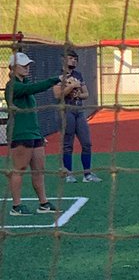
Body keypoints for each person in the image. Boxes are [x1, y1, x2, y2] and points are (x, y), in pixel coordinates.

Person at [4, 52, 64, 216]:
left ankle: (43, 203)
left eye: (27, 65)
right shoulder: (13, 86)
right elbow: (32, 88)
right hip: (20, 133)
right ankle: (16, 206)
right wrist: (55, 79)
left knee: (39, 169)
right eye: (23, 65)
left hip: (33, 133)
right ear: (13, 67)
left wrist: (38, 133)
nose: (27, 67)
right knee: (19, 168)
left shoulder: (25, 84)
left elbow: (31, 111)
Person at [53, 47, 100, 183]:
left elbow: (86, 94)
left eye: (75, 59)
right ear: (64, 59)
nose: (74, 61)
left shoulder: (78, 75)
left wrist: (79, 93)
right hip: (65, 111)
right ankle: (68, 174)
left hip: (79, 111)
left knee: (87, 143)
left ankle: (87, 174)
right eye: (71, 58)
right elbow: (57, 94)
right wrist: (71, 87)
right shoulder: (58, 76)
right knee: (68, 144)